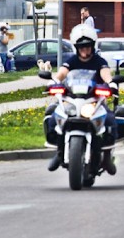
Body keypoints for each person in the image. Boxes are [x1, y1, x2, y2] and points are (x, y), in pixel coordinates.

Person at [45, 24, 118, 174]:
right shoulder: (72, 61)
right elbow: (62, 74)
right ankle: (59, 153)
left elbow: (106, 74)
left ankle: (106, 157)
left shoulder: (99, 61)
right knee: (53, 117)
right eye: (81, 46)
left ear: (92, 46)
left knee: (110, 119)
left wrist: (111, 83)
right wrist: (53, 81)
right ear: (76, 47)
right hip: (72, 100)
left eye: (88, 46)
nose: (85, 49)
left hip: (94, 101)